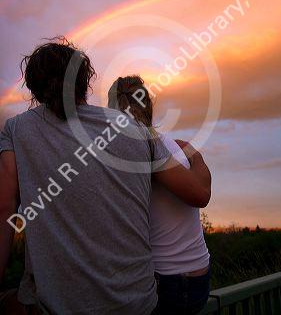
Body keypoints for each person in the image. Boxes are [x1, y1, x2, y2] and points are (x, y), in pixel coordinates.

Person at [0, 38, 209, 315]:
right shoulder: (138, 133)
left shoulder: (16, 129)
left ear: (34, 88)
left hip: (57, 305)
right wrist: (195, 153)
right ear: (85, 81)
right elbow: (198, 195)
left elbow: (5, 208)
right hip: (141, 302)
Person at [108, 75, 211, 315]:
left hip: (171, 282)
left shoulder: (144, 147)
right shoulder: (170, 146)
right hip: (198, 276)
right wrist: (196, 155)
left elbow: (201, 195)